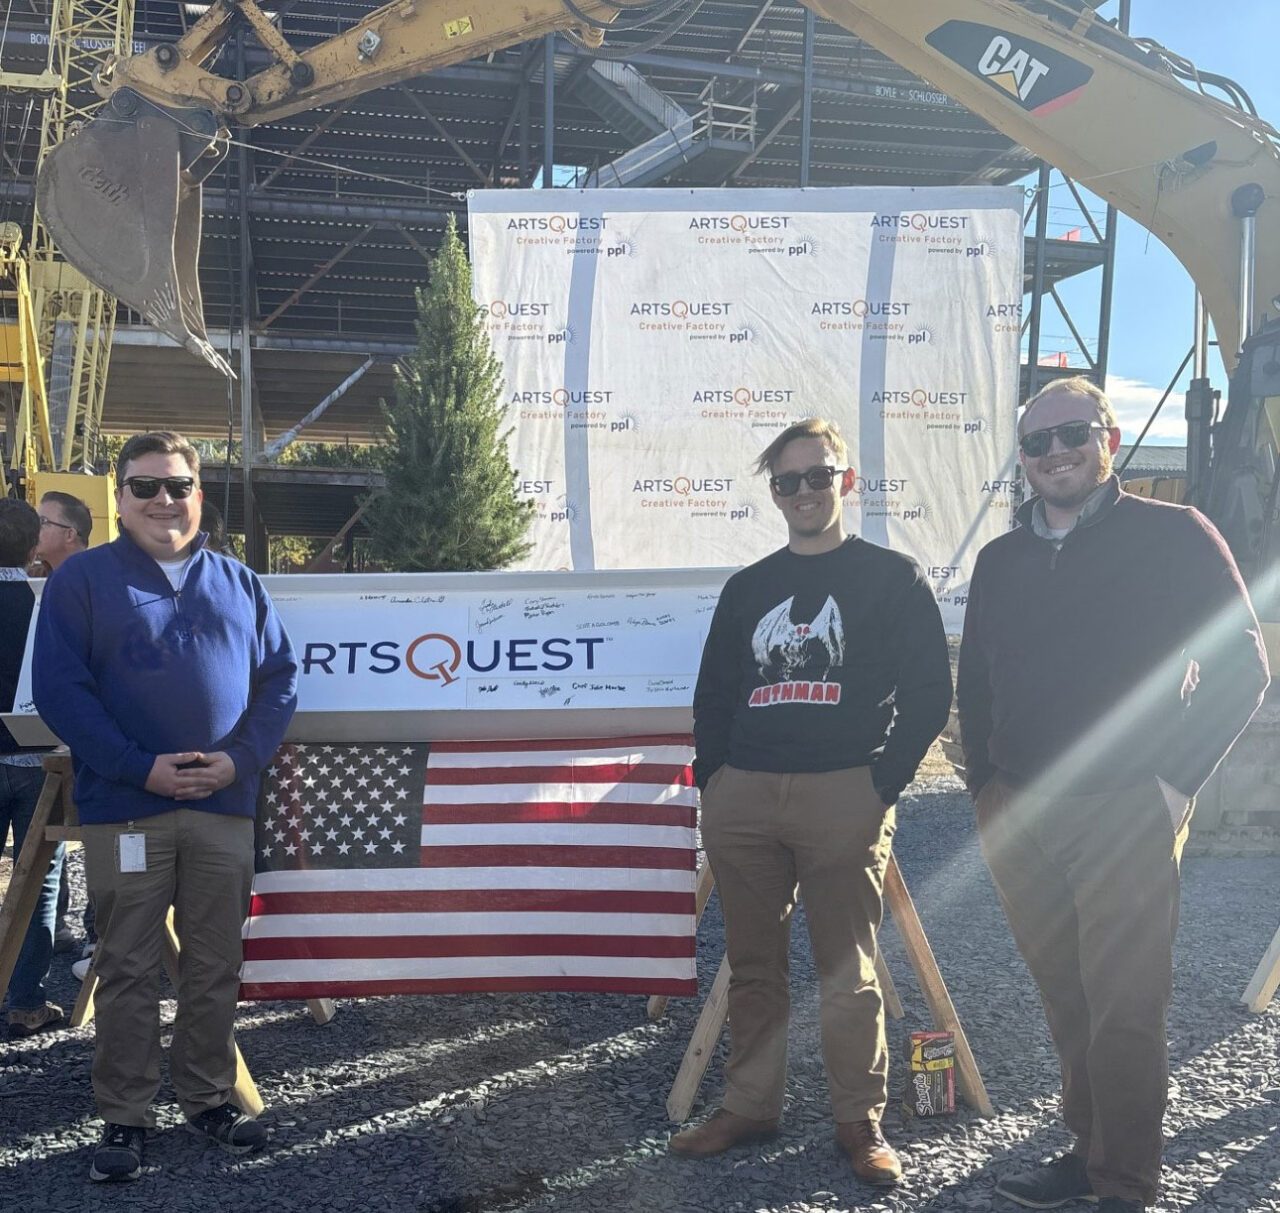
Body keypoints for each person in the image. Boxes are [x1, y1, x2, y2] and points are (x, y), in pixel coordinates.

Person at [957, 378, 1270, 1213]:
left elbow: (1243, 664)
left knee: (1125, 1004)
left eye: (1071, 433)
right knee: (1067, 994)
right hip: (1019, 808)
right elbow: (976, 683)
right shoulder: (1001, 558)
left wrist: (1173, 782)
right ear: (1022, 460)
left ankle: (1125, 1185)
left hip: (1127, 806)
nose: (1055, 452)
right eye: (1037, 442)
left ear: (1110, 435)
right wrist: (982, 789)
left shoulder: (1174, 535)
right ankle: (1088, 1150)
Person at [672, 418, 952, 1185]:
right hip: (746, 797)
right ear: (774, 491)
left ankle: (859, 1121)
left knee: (848, 970)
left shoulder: (892, 578)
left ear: (846, 481)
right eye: (787, 480)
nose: (803, 491)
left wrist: (879, 784)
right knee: (754, 966)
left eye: (818, 476)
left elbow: (930, 693)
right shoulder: (748, 587)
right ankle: (750, 1104)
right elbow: (714, 695)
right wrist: (715, 781)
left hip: (844, 792)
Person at [33, 431, 298, 1184]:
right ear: (118, 498)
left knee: (216, 963)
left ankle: (208, 1096)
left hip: (223, 807)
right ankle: (125, 1113)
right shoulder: (81, 581)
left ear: (198, 495)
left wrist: (239, 760)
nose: (162, 500)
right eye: (145, 486)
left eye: (177, 485)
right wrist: (137, 767)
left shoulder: (238, 582)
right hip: (125, 808)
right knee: (126, 964)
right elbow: (62, 691)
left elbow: (279, 680)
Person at [0, 498, 65, 1038]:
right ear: (32, 547)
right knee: (39, 880)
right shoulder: (45, 603)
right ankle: (25, 1000)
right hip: (39, 758)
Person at [34, 490, 93, 956]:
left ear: (68, 533)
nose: (36, 530)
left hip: (84, 751)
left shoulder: (81, 585)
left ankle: (97, 936)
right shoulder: (56, 582)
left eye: (44, 521)